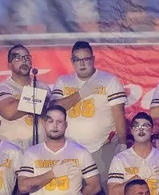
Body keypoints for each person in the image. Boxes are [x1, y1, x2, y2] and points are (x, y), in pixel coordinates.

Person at [50, 41, 127, 173]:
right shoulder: (63, 81)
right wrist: (80, 94)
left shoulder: (109, 80)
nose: (82, 64)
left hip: (102, 146)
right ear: (72, 61)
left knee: (104, 190)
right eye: (77, 60)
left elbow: (119, 114)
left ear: (93, 59)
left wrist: (122, 143)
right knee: (74, 190)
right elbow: (52, 108)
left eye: (86, 59)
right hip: (70, 148)